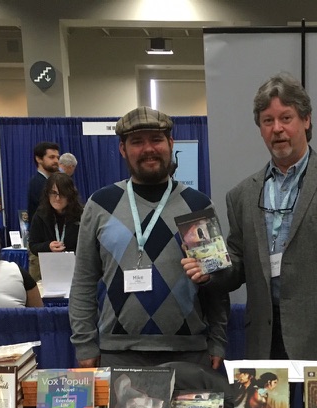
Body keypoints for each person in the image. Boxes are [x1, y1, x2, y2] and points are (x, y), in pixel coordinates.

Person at [193, 73, 317, 364]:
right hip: (264, 338)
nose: (277, 129)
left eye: (286, 118)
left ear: (306, 120)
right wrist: (209, 270)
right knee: (265, 400)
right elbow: (238, 265)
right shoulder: (241, 195)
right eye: (267, 121)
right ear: (260, 129)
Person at [68, 107, 228, 372]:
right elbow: (83, 281)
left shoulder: (197, 205)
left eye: (156, 139)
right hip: (117, 354)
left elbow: (216, 283)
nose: (148, 149)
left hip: (188, 354)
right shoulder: (101, 204)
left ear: (171, 143)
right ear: (123, 149)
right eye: (137, 142)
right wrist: (84, 344)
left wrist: (218, 341)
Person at [28, 172, 83, 282]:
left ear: (70, 195)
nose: (57, 198)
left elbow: (88, 246)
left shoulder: (81, 215)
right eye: (53, 193)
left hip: (76, 269)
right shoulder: (40, 214)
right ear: (47, 194)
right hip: (48, 269)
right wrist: (48, 246)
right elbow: (33, 245)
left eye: (62, 193)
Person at [27, 141, 61, 222]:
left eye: (57, 158)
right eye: (52, 157)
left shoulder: (51, 181)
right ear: (39, 159)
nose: (56, 161)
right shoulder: (38, 183)